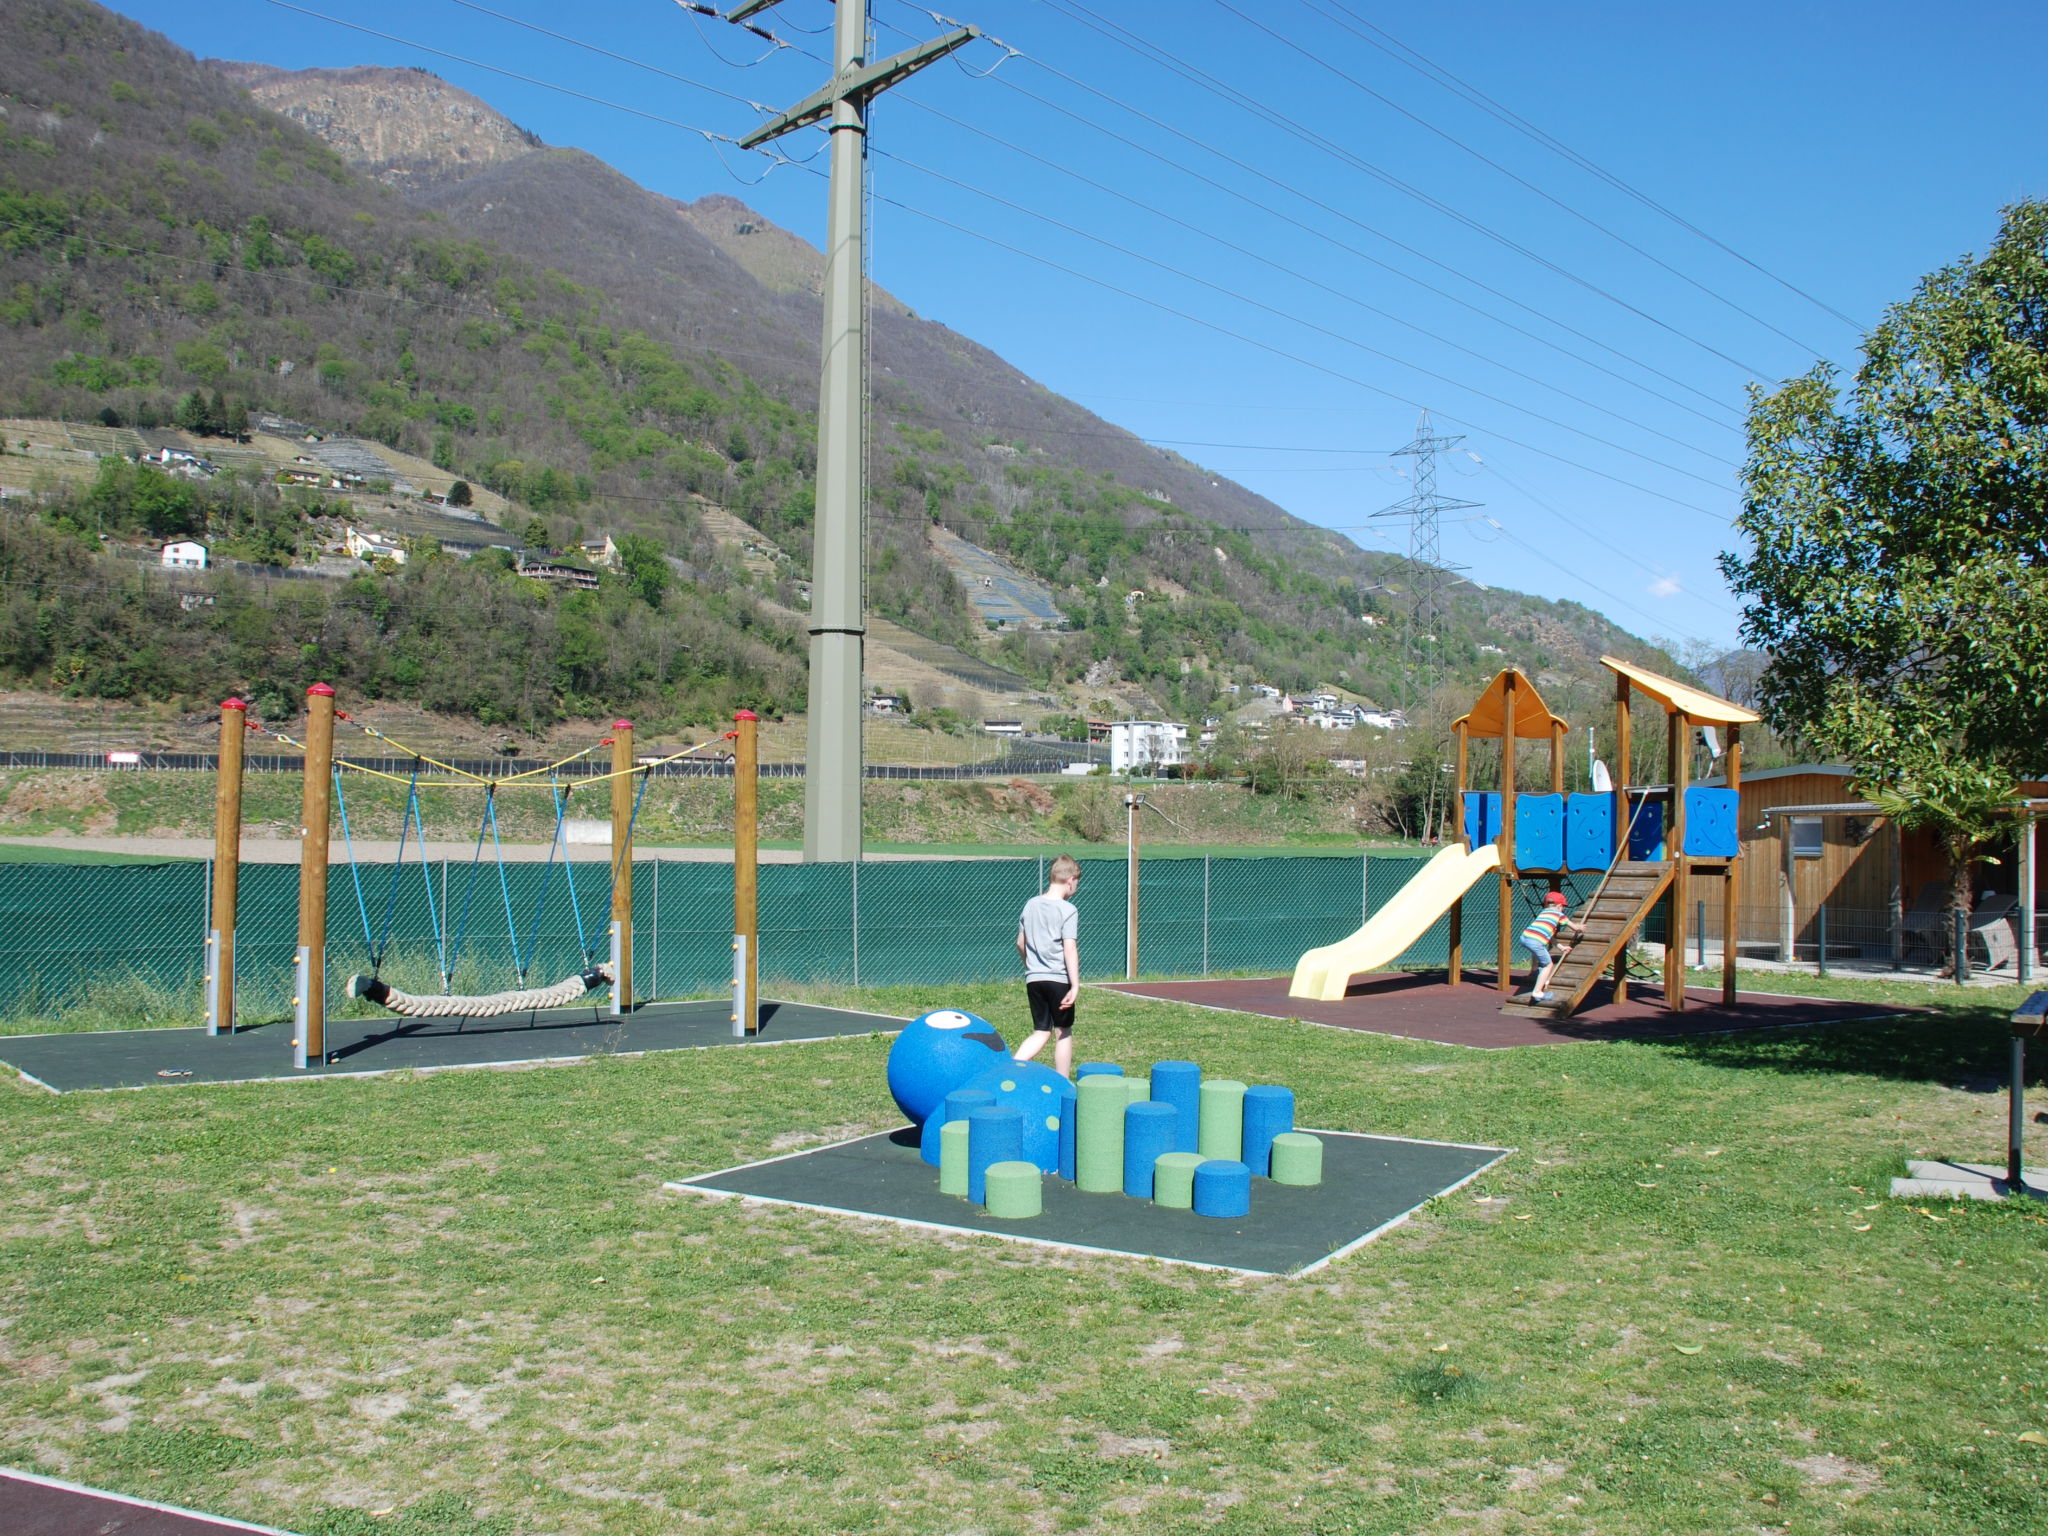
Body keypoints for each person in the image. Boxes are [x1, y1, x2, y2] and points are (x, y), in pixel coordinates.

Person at [1014, 854, 1082, 1077]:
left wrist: (1031, 967)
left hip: (1034, 979)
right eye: (1077, 883)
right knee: (1063, 1032)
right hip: (1058, 980)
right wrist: (1074, 985)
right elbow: (1069, 948)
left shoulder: (1030, 904)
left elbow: (1020, 943)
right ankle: (1062, 1083)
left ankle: (1010, 1069)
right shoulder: (1068, 909)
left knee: (1041, 1032)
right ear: (1070, 880)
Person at [1520, 890, 1585, 1003]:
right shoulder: (1560, 915)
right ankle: (1537, 992)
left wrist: (1561, 947)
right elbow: (1574, 928)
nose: (1563, 909)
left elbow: (1549, 936)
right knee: (1548, 965)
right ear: (1559, 906)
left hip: (1525, 937)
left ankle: (1536, 971)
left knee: (1537, 951)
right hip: (1535, 941)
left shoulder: (1543, 913)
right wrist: (1581, 927)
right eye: (1563, 907)